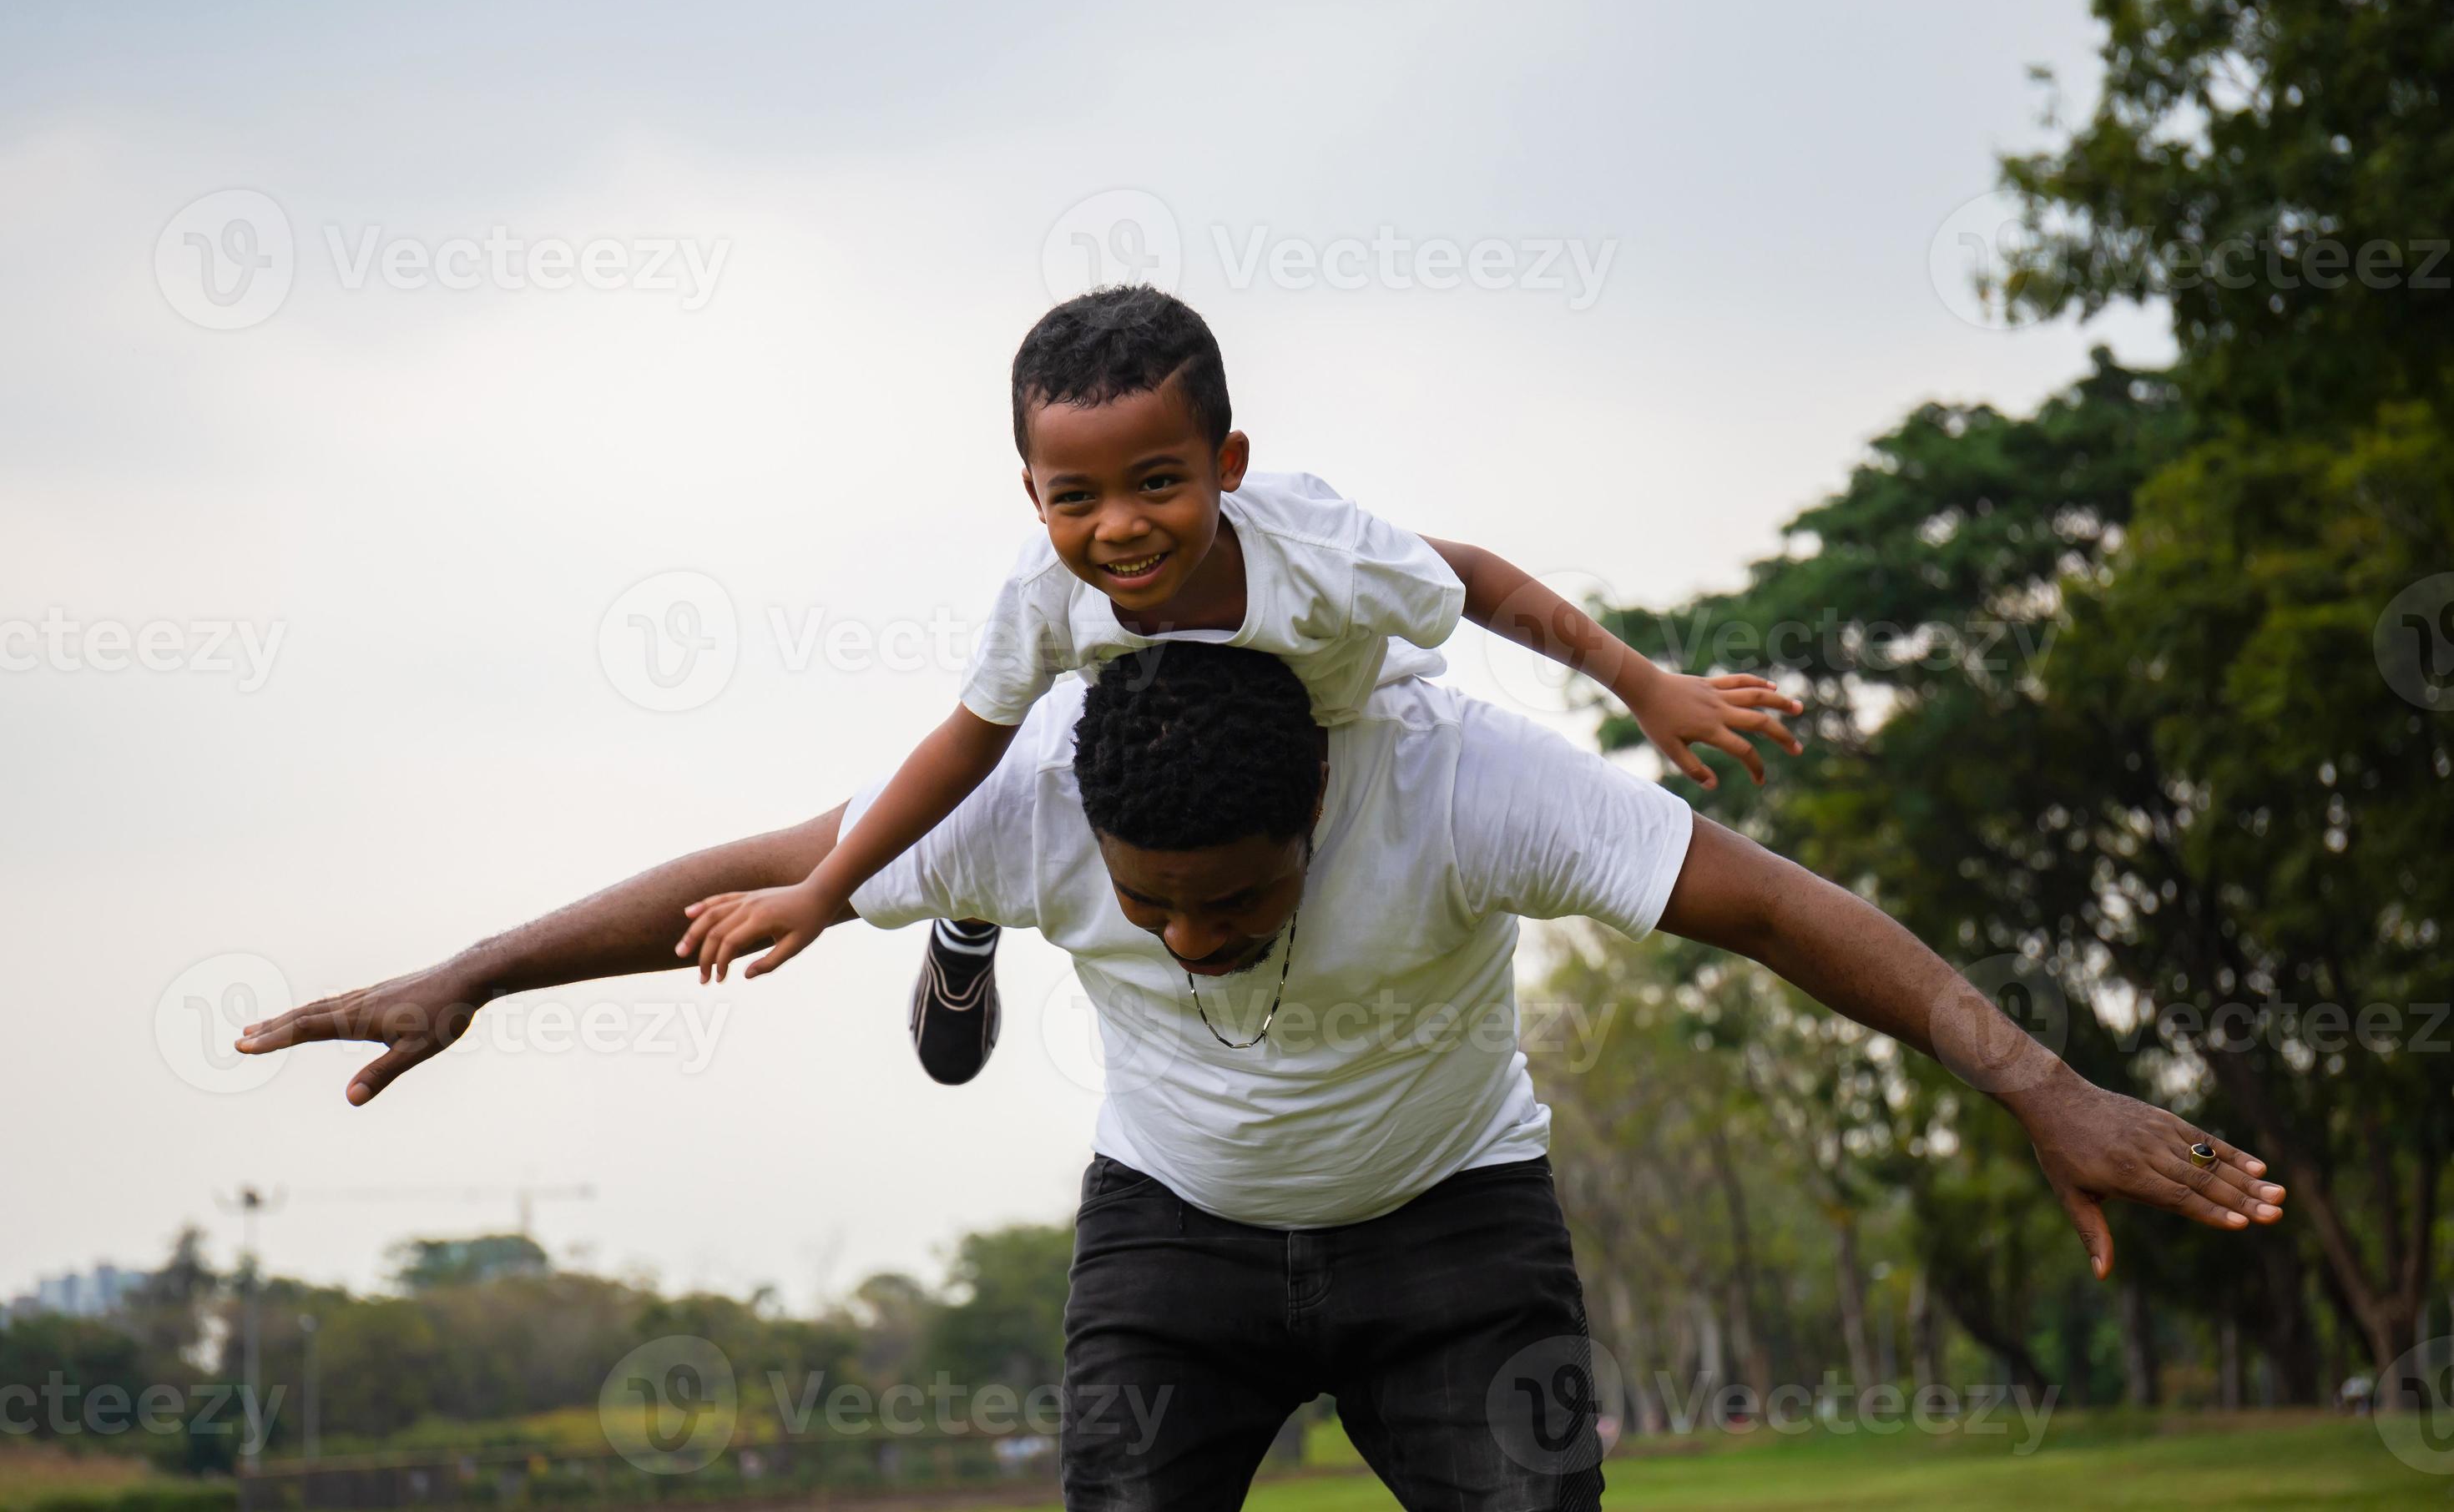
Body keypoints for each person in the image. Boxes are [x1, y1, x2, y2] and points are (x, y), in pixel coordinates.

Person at [235, 643, 2289, 1511]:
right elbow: (742, 868)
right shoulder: (1034, 794)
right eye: (1157, 911)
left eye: (1234, 903)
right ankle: (954, 933)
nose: (1196, 940)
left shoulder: (1460, 777)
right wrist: (474, 975)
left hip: (1456, 1233)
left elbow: (1768, 905)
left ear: (1324, 803)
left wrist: (2041, 1084)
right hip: (1178, 1243)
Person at [673, 285, 1804, 1087]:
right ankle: (967, 922)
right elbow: (966, 744)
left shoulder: (1321, 551)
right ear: (1032, 494)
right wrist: (822, 892)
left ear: (1229, 467)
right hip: (1134, 720)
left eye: (1157, 482)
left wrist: (1644, 686)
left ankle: (970, 902)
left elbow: (1473, 578)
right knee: (1017, 762)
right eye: (1076, 497)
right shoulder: (1045, 593)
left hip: (1310, 721)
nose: (1118, 527)